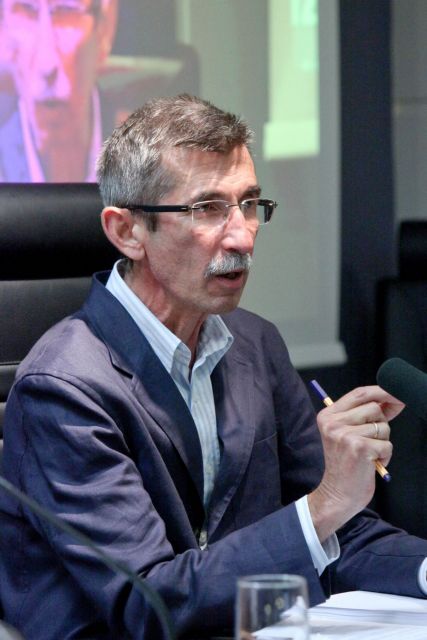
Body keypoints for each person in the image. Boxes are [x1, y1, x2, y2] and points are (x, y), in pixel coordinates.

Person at [1, 94, 427, 639]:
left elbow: (341, 532)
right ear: (127, 231)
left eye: (249, 204)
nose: (243, 235)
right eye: (207, 208)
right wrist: (324, 506)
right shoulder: (63, 387)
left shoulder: (255, 344)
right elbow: (148, 603)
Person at [0, 0, 118, 182]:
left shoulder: (151, 159)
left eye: (66, 9)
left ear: (105, 27)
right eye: (27, 9)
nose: (46, 64)